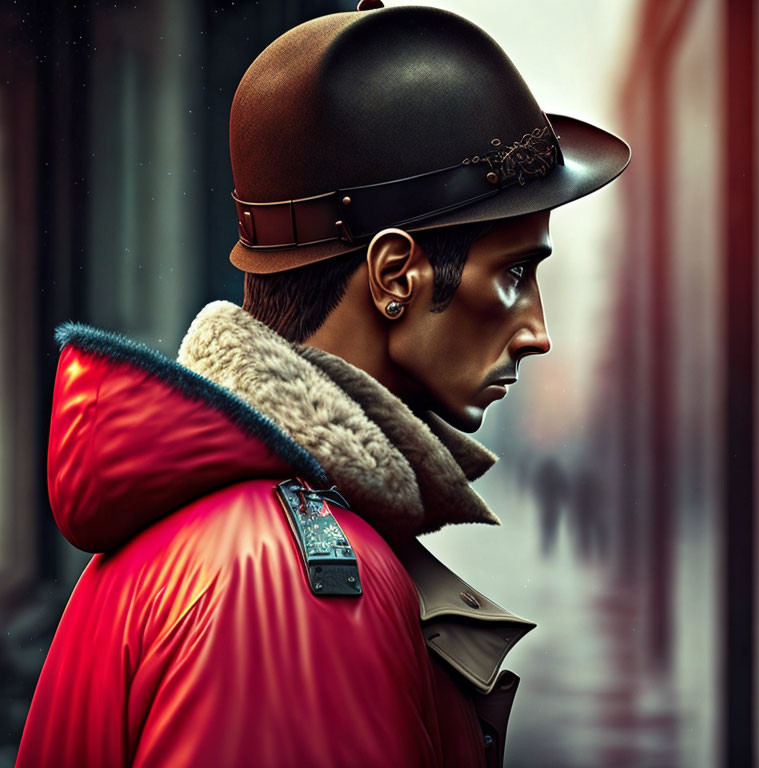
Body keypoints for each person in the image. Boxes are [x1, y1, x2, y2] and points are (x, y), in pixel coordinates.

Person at [16, 3, 629, 767]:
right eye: (512, 275)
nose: (538, 331)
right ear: (395, 274)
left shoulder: (234, 537)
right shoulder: (288, 591)